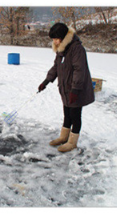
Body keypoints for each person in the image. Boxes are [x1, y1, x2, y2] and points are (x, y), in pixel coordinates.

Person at [38, 23, 94, 153]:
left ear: (63, 37)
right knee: (67, 114)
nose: (54, 41)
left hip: (76, 89)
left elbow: (79, 70)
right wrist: (46, 81)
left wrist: (75, 90)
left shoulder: (77, 49)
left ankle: (72, 142)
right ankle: (64, 137)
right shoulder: (61, 50)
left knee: (75, 115)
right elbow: (56, 67)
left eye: (55, 38)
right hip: (65, 88)